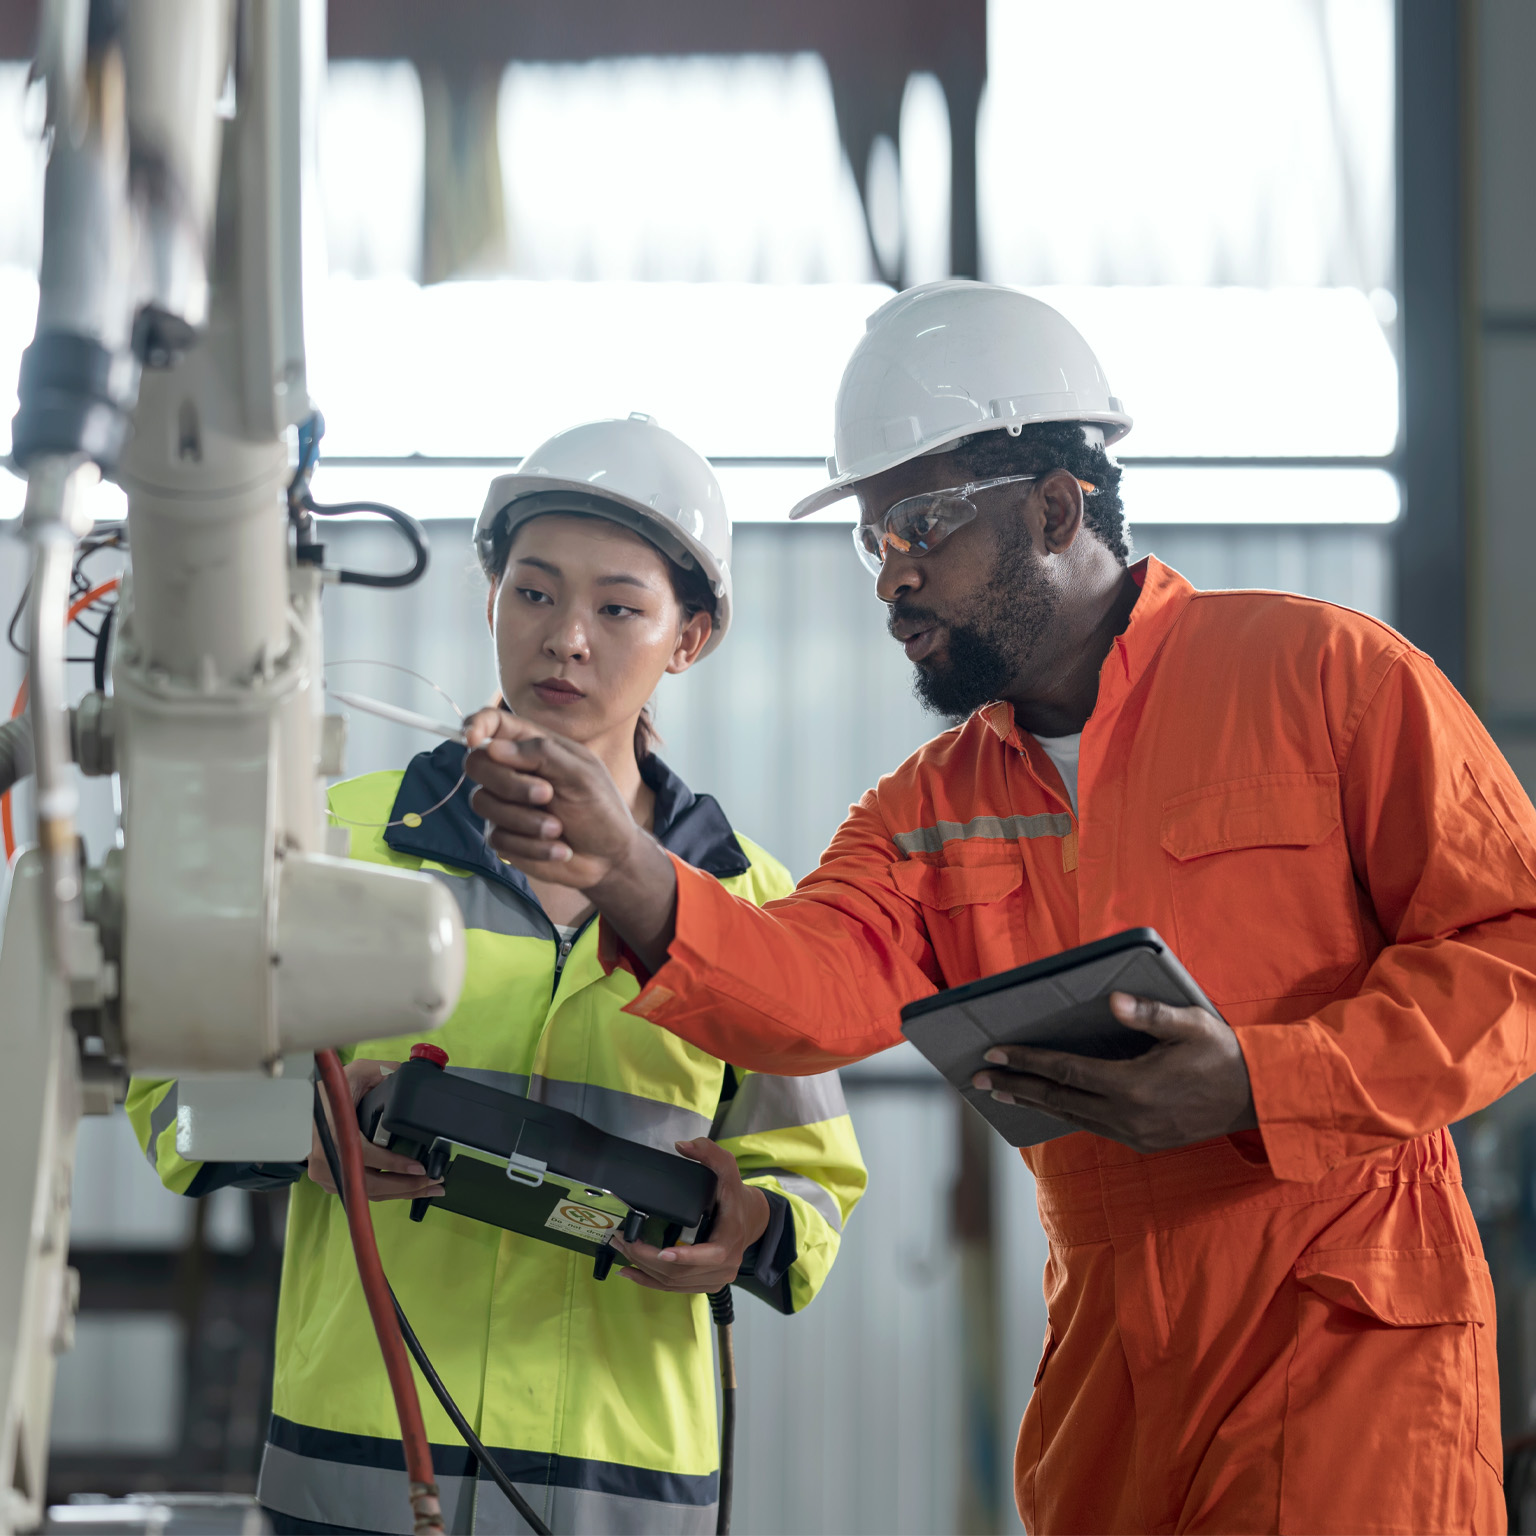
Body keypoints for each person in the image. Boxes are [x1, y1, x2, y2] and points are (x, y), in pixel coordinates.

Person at [460, 282, 1536, 1534]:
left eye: (920, 524)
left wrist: (1263, 1081)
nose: (891, 576)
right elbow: (804, 993)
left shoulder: (1323, 677)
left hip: (1346, 1332)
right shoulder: (927, 806)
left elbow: (1510, 942)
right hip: (1114, 1372)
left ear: (1056, 508)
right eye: (875, 540)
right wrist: (622, 866)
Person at [127, 414, 867, 1536]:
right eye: (533, 593)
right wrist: (304, 1130)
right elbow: (168, 1100)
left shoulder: (751, 904)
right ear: (490, 602)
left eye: (619, 607)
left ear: (690, 638)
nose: (567, 637)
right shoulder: (338, 845)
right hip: (361, 1476)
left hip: (621, 1495)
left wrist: (749, 1226)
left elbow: (815, 1191)